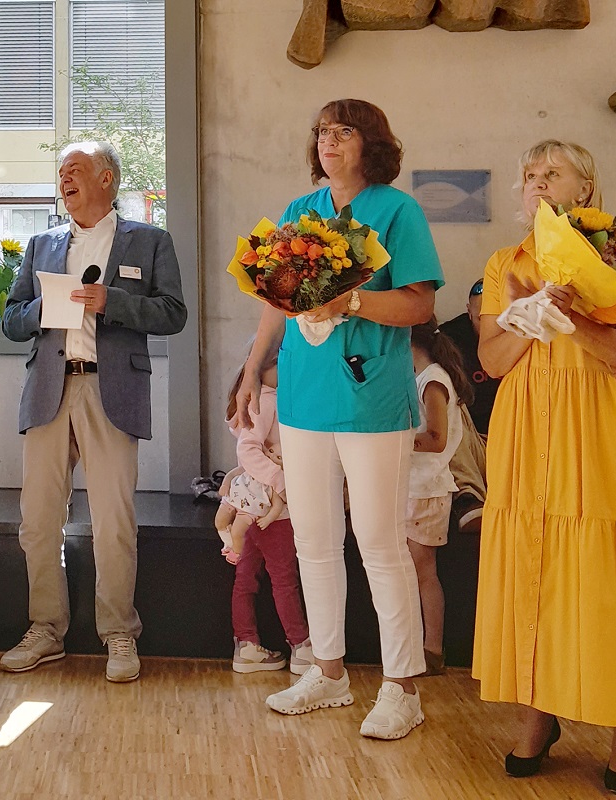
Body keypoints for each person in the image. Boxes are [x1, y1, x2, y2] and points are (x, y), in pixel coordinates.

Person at [472, 140, 616, 794]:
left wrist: (572, 318)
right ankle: (536, 717)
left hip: (599, 426)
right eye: (529, 174)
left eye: (553, 173)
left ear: (584, 189)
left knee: (611, 579)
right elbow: (491, 360)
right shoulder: (502, 263)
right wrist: (526, 315)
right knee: (533, 571)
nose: (538, 182)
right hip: (524, 427)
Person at [235, 99, 441, 740]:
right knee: (313, 541)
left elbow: (418, 305)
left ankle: (402, 687)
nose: (329, 142)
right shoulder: (300, 212)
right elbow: (276, 301)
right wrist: (251, 370)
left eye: (343, 131)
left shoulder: (397, 210)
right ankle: (327, 673)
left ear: (371, 143)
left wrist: (350, 297)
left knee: (380, 542)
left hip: (372, 396)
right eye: (322, 132)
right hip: (302, 395)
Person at [0, 140, 187, 683]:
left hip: (113, 391)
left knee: (113, 523)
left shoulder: (149, 242)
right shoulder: (41, 244)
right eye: (61, 173)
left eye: (76, 170)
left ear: (107, 178)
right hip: (50, 391)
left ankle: (119, 632)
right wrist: (42, 308)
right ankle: (45, 629)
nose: (65, 180)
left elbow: (172, 313)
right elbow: (11, 321)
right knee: (37, 521)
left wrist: (114, 303)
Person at [221, 354, 312, 675]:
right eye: (283, 361)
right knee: (284, 580)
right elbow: (248, 450)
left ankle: (247, 646)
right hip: (274, 512)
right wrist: (283, 484)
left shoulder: (262, 399)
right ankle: (302, 647)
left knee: (246, 579)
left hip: (250, 510)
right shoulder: (268, 400)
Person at [406, 318, 472, 676]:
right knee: (411, 571)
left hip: (427, 489)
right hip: (414, 487)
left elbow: (436, 439)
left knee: (423, 572)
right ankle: (417, 645)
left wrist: (396, 438)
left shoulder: (433, 380)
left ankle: (432, 648)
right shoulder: (421, 377)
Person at [441, 279, 495, 532]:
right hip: (472, 442)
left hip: (518, 442)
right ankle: (468, 499)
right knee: (449, 400)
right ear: (468, 311)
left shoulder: (524, 334)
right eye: (481, 318)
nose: (491, 324)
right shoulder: (450, 339)